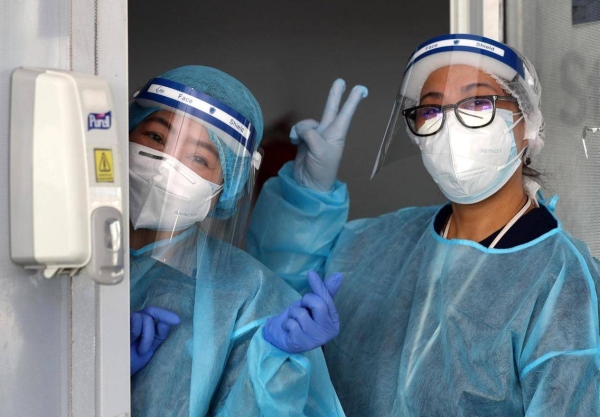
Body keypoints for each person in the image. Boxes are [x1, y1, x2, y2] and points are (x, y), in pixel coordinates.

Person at [247, 34, 600, 415]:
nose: (451, 129)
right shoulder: (384, 243)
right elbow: (278, 289)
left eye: (478, 102)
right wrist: (308, 194)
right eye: (431, 111)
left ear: (526, 123)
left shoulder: (561, 281)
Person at [127, 65, 347, 416]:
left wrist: (274, 361)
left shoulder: (249, 295)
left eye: (197, 158)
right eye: (156, 138)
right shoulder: (68, 252)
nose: (166, 164)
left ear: (225, 189)